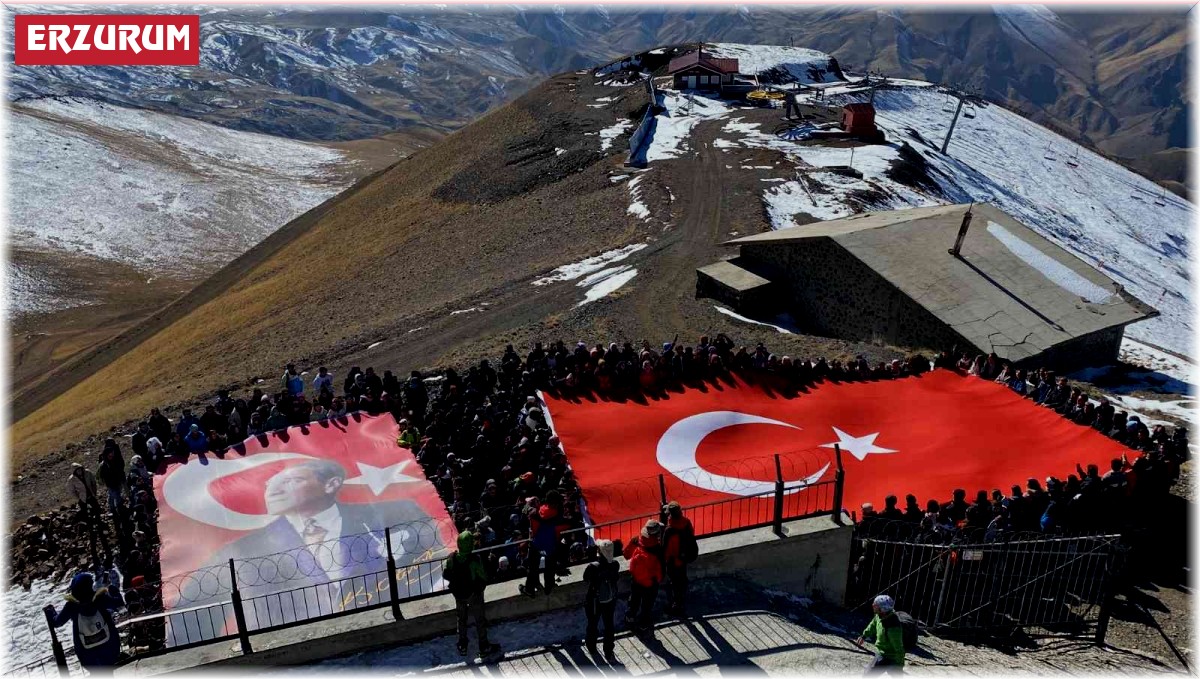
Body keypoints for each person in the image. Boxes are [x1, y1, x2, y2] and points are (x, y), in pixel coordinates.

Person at [44, 572, 123, 671]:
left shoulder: (72, 606)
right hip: (109, 648)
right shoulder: (100, 598)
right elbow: (118, 603)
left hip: (87, 655)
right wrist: (113, 590)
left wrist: (50, 611)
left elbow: (57, 622)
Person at [443, 530, 501, 657]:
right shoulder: (474, 559)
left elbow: (445, 573)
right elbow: (483, 576)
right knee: (479, 619)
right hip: (473, 594)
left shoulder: (451, 558)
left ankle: (462, 644)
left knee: (461, 619)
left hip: (458, 594)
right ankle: (484, 646)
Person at [520, 490, 566, 597]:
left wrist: (528, 504)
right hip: (551, 545)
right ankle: (549, 588)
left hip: (537, 544)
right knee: (550, 568)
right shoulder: (557, 513)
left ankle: (529, 589)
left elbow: (524, 512)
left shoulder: (538, 512)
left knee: (533, 567)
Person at [583, 539, 620, 661]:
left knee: (593, 623)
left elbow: (585, 578)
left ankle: (591, 646)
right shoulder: (615, 565)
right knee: (609, 625)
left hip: (595, 600)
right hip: (610, 599)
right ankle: (608, 651)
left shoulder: (593, 567)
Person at [624, 519, 665, 632]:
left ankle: (630, 618)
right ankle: (643, 624)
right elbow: (661, 569)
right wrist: (658, 580)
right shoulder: (658, 549)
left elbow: (626, 554)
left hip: (636, 579)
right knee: (647, 605)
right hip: (651, 583)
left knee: (634, 601)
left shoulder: (636, 541)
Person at [661, 501, 697, 617]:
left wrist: (664, 562)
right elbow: (691, 534)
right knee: (682, 579)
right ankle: (681, 600)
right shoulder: (686, 523)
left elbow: (665, 549)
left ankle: (677, 605)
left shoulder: (669, 530)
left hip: (672, 561)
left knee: (675, 583)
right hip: (684, 557)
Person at [856, 594, 905, 675]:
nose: (873, 605)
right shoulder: (879, 616)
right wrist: (863, 636)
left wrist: (900, 666)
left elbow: (899, 647)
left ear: (883, 609)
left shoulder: (893, 627)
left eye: (876, 605)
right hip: (881, 653)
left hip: (890, 657)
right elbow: (872, 625)